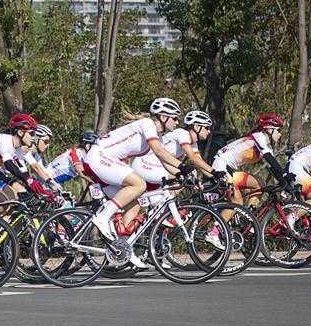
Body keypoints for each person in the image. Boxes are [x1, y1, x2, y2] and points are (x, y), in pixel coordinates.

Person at [86, 98, 187, 262]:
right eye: (175, 117)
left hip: (103, 161)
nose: (177, 122)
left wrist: (181, 174)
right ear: (162, 116)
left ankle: (123, 249)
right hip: (100, 156)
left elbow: (162, 161)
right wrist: (182, 166)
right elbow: (160, 152)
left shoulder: (155, 135)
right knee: (140, 184)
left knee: (135, 202)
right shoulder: (147, 124)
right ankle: (102, 217)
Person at [211, 113, 290, 208]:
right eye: (278, 130)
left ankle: (249, 216)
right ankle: (219, 223)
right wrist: (284, 175)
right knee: (237, 203)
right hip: (221, 165)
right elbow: (269, 159)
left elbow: (272, 167)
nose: (280, 134)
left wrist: (285, 183)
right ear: (269, 129)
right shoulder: (259, 136)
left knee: (260, 184)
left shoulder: (267, 146)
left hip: (230, 170)